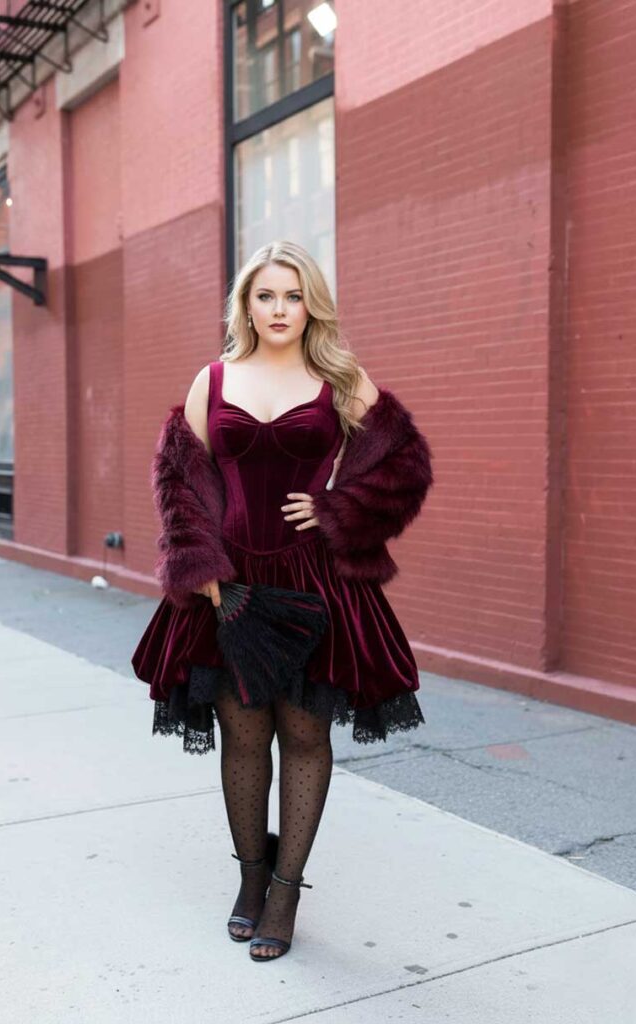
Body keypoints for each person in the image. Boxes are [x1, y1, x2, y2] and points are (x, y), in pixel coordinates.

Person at [131, 240, 434, 961]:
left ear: (311, 307)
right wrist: (198, 561)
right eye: (265, 295)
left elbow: (406, 464)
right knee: (242, 736)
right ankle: (251, 877)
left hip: (313, 584)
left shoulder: (339, 379)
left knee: (304, 736)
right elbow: (178, 477)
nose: (279, 309)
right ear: (246, 304)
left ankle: (286, 891)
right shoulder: (213, 379)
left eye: (293, 296)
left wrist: (336, 508)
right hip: (231, 583)